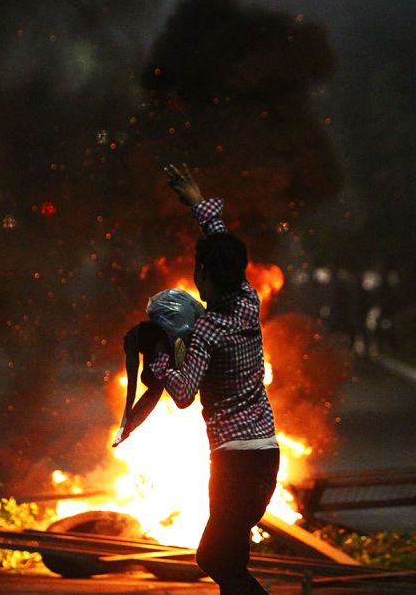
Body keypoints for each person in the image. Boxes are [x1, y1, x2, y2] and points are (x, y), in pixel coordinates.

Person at [151, 163, 280, 594]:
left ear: (202, 275)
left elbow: (184, 395)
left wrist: (158, 361)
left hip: (233, 464)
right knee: (232, 557)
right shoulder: (248, 301)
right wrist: (199, 202)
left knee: (213, 557)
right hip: (264, 455)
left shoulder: (207, 329)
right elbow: (224, 247)